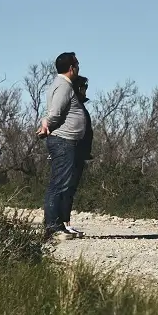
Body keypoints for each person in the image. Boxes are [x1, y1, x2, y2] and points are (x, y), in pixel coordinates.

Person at [36, 51, 87, 240]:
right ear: (71, 68)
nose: (79, 68)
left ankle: (59, 225)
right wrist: (47, 124)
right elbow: (56, 112)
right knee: (58, 183)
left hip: (67, 142)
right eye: (77, 64)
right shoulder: (64, 86)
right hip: (63, 141)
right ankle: (52, 227)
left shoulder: (62, 86)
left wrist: (45, 122)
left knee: (63, 184)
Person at [61, 75, 94, 237]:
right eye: (82, 87)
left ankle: (65, 223)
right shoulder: (72, 104)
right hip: (69, 150)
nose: (85, 90)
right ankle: (62, 224)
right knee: (65, 187)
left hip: (79, 152)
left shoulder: (79, 105)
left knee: (71, 188)